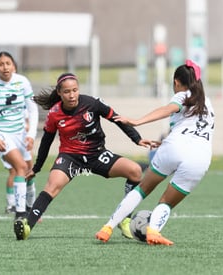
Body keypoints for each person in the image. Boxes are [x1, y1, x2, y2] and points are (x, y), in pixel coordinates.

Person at [13, 72, 154, 240]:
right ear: (59, 93)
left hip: (97, 154)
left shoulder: (92, 103)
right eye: (67, 92)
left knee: (135, 171)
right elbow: (46, 141)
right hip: (70, 157)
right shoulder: (54, 113)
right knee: (52, 186)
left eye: (75, 90)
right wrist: (37, 167)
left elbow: (117, 119)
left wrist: (137, 139)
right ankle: (27, 225)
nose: (72, 95)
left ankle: (125, 218)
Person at [95, 60, 215, 245]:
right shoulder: (207, 102)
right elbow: (194, 130)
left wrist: (137, 121)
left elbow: (168, 109)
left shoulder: (183, 95)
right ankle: (153, 231)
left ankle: (108, 227)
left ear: (176, 82)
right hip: (200, 157)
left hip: (174, 147)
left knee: (142, 189)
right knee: (166, 201)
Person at [0, 51, 39, 218]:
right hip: (1, 133)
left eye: (8, 63)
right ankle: (19, 212)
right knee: (20, 167)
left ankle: (31, 208)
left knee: (30, 171)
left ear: (14, 66)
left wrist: (31, 134)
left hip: (21, 133)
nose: (5, 67)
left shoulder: (22, 82)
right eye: (1, 64)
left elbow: (32, 109)